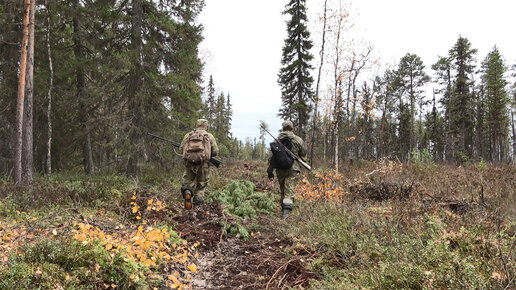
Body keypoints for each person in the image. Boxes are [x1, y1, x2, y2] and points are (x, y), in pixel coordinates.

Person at [267, 120, 307, 218]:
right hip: (293, 169)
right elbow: (303, 153)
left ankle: (284, 210)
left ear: (283, 129)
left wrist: (270, 172)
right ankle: (285, 215)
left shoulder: (276, 141)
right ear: (292, 129)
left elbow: (271, 158)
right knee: (289, 192)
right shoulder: (298, 140)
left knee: (283, 191)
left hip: (280, 169)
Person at [179, 119, 219, 209]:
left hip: (190, 163)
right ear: (205, 126)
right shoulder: (209, 136)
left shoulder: (188, 135)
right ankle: (198, 206)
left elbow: (181, 149)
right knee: (201, 184)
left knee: (187, 182)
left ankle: (188, 193)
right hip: (203, 164)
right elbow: (215, 151)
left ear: (197, 125)